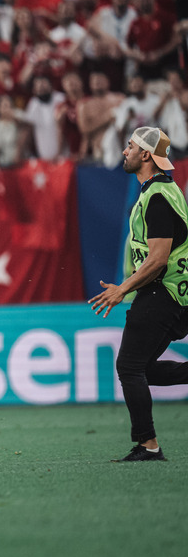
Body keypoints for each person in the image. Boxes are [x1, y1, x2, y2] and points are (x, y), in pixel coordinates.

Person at [90, 127, 188, 462]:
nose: (124, 151)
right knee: (140, 368)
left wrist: (123, 289)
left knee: (129, 366)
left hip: (162, 291)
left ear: (146, 155)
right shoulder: (164, 190)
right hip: (175, 293)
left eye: (130, 146)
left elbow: (158, 258)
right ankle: (148, 443)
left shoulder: (157, 196)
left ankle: (148, 444)